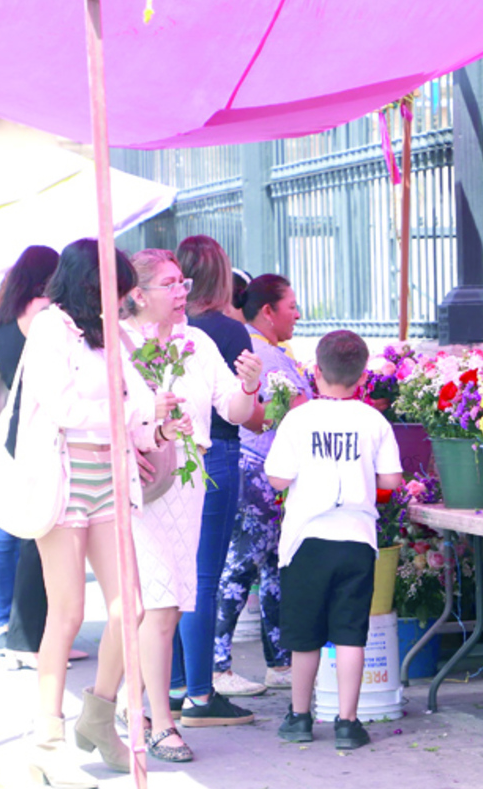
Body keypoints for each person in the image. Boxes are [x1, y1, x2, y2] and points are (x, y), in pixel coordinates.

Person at [22, 238, 169, 788]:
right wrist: (130, 411)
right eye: (114, 286)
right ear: (90, 283)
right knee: (66, 614)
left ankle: (99, 717)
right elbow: (62, 406)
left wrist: (154, 421)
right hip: (64, 478)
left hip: (111, 477)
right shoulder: (50, 327)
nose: (121, 298)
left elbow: (136, 404)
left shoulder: (108, 334)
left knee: (130, 608)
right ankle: (47, 742)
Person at [122, 248, 260, 760]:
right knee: (159, 605)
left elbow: (235, 411)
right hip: (142, 485)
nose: (182, 292)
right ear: (139, 295)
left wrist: (250, 385)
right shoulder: (120, 347)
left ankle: (128, 704)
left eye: (183, 282)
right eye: (170, 283)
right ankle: (160, 722)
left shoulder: (197, 342)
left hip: (189, 481)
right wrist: (146, 422)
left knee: (173, 601)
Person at [267, 329, 403, 749]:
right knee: (350, 633)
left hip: (306, 539)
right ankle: (347, 722)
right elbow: (391, 480)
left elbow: (278, 478)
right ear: (362, 377)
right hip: (357, 539)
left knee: (304, 636)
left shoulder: (298, 419)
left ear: (316, 372)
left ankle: (299, 717)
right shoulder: (374, 421)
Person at [170, 235, 261, 727]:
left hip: (170, 455)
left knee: (172, 579)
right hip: (217, 454)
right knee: (202, 580)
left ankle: (175, 686)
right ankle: (201, 695)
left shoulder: (164, 335)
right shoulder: (226, 332)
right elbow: (245, 413)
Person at [212, 274, 310, 697]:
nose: (298, 314)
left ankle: (280, 661)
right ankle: (217, 665)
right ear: (268, 311)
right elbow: (276, 411)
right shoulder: (260, 353)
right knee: (243, 566)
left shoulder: (269, 349)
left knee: (271, 565)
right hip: (257, 471)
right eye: (291, 306)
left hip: (267, 472)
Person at [0, 247, 60, 666]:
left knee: (37, 537)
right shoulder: (43, 312)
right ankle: (27, 639)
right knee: (41, 537)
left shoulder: (4, 318)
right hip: (39, 427)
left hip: (19, 427)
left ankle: (35, 636)